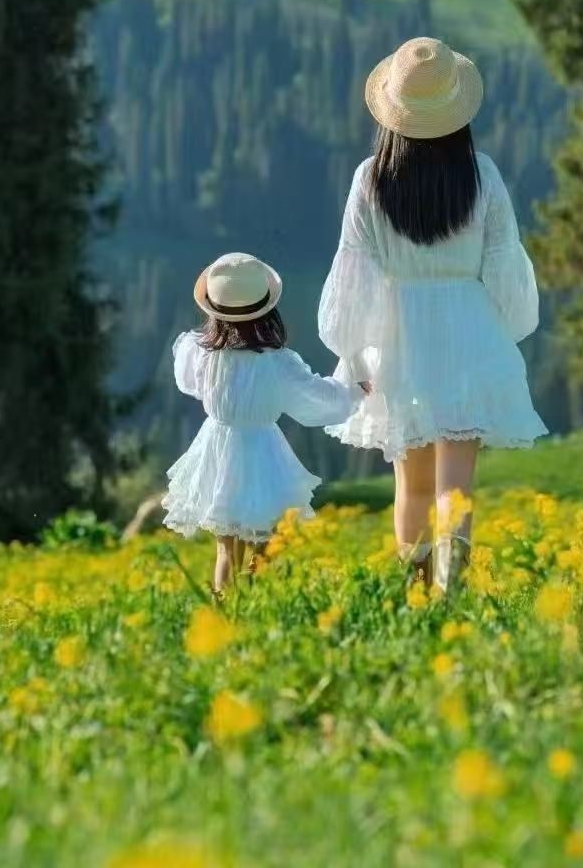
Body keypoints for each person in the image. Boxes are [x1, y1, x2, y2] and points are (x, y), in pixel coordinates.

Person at [319, 37, 548, 593]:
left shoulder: (370, 178)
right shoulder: (482, 175)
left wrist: (352, 349)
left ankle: (415, 592)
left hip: (398, 339)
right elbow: (503, 262)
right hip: (468, 329)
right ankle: (452, 591)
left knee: (412, 485)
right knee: (455, 486)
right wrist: (504, 330)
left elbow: (355, 273)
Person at [162, 251, 367, 592]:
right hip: (262, 453)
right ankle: (255, 595)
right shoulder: (278, 363)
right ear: (266, 309)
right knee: (266, 539)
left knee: (225, 548)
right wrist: (354, 392)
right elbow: (315, 397)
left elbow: (188, 382)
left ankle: (225, 608)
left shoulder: (201, 353)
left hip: (216, 447)